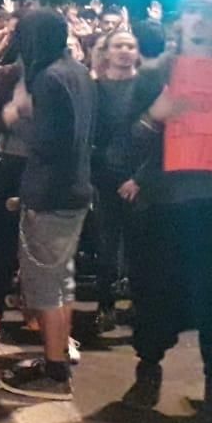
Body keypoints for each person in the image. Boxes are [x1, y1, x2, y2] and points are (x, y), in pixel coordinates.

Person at [121, 0, 212, 423]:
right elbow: (124, 145)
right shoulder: (155, 73)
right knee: (155, 298)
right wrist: (157, 114)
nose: (198, 20)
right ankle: (148, 370)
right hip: (165, 206)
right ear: (179, 20)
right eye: (191, 12)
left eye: (208, 13)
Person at [0, 11, 95, 400]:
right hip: (74, 192)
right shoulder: (77, 72)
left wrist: (17, 117)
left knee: (44, 286)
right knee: (62, 280)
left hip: (50, 194)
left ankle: (54, 372)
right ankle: (58, 354)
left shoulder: (49, 78)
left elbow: (50, 141)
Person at [89, 30, 142, 333]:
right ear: (107, 52)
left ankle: (139, 305)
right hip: (105, 178)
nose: (124, 50)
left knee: (140, 247)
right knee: (106, 246)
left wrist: (139, 177)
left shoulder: (145, 87)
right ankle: (105, 306)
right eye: (118, 45)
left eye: (130, 46)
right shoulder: (95, 89)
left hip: (140, 177)